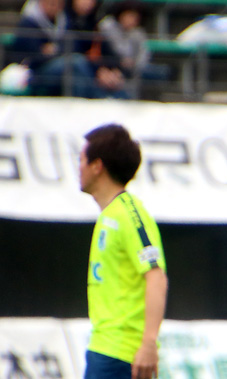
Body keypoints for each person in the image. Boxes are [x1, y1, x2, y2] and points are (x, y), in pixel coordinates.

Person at [80, 124, 168, 379]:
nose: (79, 167)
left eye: (82, 160)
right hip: (103, 347)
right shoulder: (110, 214)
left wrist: (149, 344)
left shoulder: (129, 214)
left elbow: (156, 277)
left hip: (121, 354)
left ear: (97, 166)